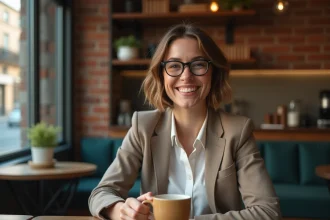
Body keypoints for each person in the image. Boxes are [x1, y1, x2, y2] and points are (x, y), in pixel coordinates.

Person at [89, 23, 281, 220]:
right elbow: (101, 194)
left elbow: (267, 211)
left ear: (213, 72)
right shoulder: (143, 127)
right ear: (161, 74)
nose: (186, 76)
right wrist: (121, 211)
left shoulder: (237, 131)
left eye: (198, 64)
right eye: (174, 66)